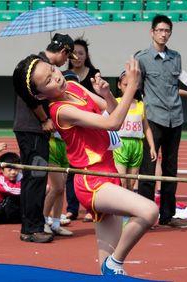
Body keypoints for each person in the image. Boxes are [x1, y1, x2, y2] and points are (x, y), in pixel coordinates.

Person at [12, 54, 158, 276]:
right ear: (41, 94)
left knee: (108, 271)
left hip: (109, 173)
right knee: (149, 211)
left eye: (52, 70)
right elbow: (112, 122)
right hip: (92, 182)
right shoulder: (59, 111)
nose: (56, 77)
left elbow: (112, 111)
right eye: (48, 81)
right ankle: (115, 262)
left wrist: (108, 94)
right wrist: (133, 87)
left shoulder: (72, 85)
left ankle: (111, 265)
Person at [13, 33, 77, 243]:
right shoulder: (35, 65)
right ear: (64, 51)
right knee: (36, 178)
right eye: (67, 57)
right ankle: (32, 228)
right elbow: (27, 95)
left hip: (31, 130)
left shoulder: (40, 63)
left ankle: (30, 226)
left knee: (34, 179)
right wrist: (43, 120)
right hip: (32, 130)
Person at [135, 15, 187, 229]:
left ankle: (168, 216)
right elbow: (137, 88)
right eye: (160, 30)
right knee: (148, 168)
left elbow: (175, 83)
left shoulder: (176, 57)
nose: (163, 34)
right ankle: (144, 215)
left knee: (171, 168)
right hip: (153, 118)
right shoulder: (141, 58)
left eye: (167, 30)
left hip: (175, 118)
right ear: (152, 32)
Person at [114, 71, 157, 190]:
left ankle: (127, 208)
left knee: (131, 184)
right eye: (125, 85)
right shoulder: (115, 103)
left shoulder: (140, 105)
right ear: (119, 85)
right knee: (121, 181)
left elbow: (146, 127)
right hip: (120, 145)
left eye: (131, 85)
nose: (128, 88)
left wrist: (152, 146)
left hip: (137, 146)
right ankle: (119, 207)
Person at [0, 152, 22, 224]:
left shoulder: (19, 176)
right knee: (13, 198)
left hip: (9, 208)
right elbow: (9, 189)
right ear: (1, 170)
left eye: (16, 169)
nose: (13, 172)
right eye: (10, 169)